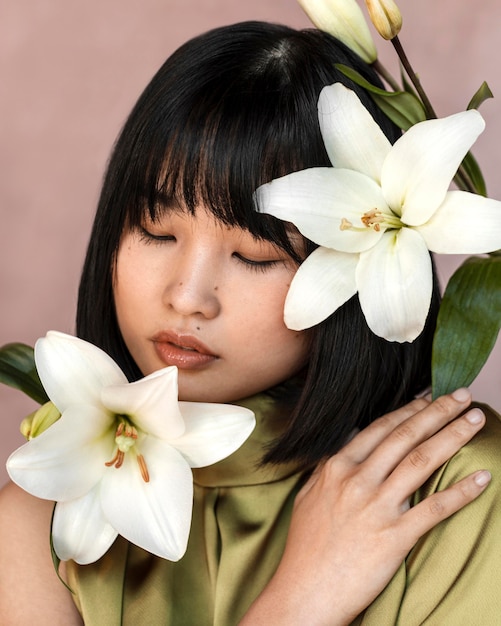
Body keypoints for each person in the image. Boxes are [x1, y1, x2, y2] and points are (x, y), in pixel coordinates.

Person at [0, 20, 500, 625]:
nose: (187, 298)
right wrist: (302, 600)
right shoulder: (40, 515)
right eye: (157, 232)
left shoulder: (462, 490)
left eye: (255, 257)